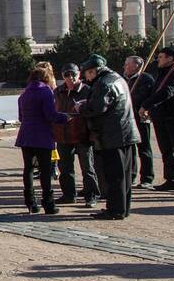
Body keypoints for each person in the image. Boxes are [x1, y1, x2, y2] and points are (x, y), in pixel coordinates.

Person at [77, 54, 140, 220]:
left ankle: (115, 210)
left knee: (114, 175)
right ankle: (122, 208)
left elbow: (98, 108)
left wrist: (81, 107)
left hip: (113, 135)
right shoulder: (116, 78)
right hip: (125, 132)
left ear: (93, 71)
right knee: (124, 175)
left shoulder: (104, 83)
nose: (86, 78)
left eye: (87, 74)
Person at [15, 66, 69, 214]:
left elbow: (21, 117)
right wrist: (66, 117)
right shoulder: (46, 92)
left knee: (29, 169)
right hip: (42, 135)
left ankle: (30, 202)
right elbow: (50, 115)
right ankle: (48, 203)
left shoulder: (24, 94)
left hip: (26, 135)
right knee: (45, 170)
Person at [142, 47, 174, 194]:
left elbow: (167, 92)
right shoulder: (162, 74)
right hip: (160, 117)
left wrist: (147, 104)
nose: (158, 59)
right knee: (166, 151)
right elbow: (155, 92)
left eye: (161, 57)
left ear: (170, 58)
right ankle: (172, 180)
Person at [53, 64, 99, 207]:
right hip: (63, 135)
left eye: (73, 74)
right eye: (67, 74)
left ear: (79, 74)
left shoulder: (87, 90)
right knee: (65, 168)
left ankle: (91, 195)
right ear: (62, 76)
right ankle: (68, 194)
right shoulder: (58, 91)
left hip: (82, 134)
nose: (70, 77)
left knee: (87, 167)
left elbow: (93, 111)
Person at [124, 56, 155, 189]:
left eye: (127, 64)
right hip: (127, 118)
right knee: (130, 148)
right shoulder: (123, 79)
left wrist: (130, 99)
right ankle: (131, 175)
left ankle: (147, 177)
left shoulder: (145, 79)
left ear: (136, 66)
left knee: (144, 148)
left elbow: (145, 96)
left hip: (141, 116)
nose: (125, 66)